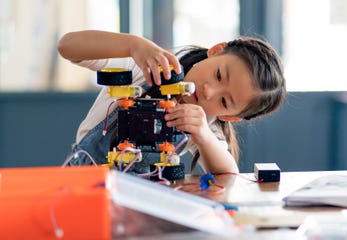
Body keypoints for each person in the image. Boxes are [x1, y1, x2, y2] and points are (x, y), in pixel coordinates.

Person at [57, 30, 286, 175]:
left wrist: (204, 136)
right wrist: (133, 45)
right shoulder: (145, 68)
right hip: (82, 182)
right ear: (216, 51)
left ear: (229, 117)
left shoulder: (203, 122)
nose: (209, 92)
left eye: (224, 101)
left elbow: (229, 173)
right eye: (218, 75)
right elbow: (67, 46)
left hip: (139, 201)